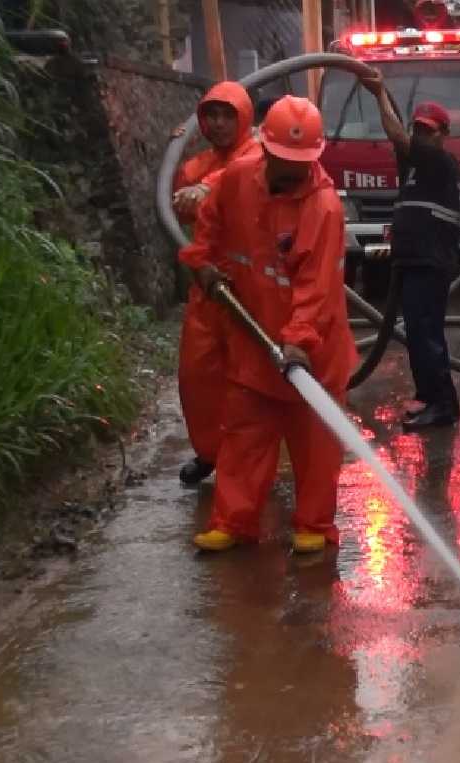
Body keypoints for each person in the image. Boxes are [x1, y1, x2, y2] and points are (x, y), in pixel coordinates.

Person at [178, 96, 357, 554]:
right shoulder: (237, 179)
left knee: (316, 446)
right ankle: (233, 523)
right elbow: (210, 221)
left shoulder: (324, 209)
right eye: (284, 160)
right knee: (245, 438)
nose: (294, 170)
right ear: (266, 149)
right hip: (255, 342)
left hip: (311, 354)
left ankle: (313, 527)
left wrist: (297, 345)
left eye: (303, 162)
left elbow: (315, 291)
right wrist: (202, 261)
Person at [360, 69, 460, 429]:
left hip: (428, 258)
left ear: (444, 135)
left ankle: (441, 404)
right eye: (418, 129)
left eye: (427, 131)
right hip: (412, 256)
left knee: (424, 331)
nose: (419, 136)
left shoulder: (441, 162)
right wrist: (379, 89)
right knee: (420, 331)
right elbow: (399, 133)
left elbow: (397, 135)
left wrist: (377, 94)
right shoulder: (416, 163)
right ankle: (436, 398)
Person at [170, 81, 258, 486]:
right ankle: (209, 453)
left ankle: (249, 460)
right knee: (197, 376)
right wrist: (176, 166)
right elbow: (180, 207)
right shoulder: (200, 162)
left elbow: (239, 177)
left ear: (244, 118)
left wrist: (206, 187)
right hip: (206, 286)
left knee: (247, 380)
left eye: (228, 115)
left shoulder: (258, 153)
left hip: (248, 286)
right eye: (212, 115)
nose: (220, 123)